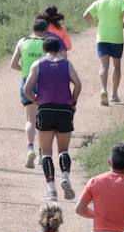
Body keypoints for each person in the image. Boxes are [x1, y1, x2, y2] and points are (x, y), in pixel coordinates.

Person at [23, 36, 81, 200]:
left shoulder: (38, 65)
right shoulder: (67, 64)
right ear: (59, 49)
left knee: (46, 152)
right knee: (63, 150)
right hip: (64, 110)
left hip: (45, 109)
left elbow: (27, 89)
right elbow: (78, 84)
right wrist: (73, 101)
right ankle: (66, 177)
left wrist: (36, 99)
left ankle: (52, 190)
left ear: (44, 49)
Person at [10, 18, 51, 168]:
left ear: (32, 29)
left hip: (27, 81)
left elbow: (13, 64)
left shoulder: (22, 42)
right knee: (43, 121)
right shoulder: (47, 43)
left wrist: (27, 71)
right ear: (45, 30)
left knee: (30, 119)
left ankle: (29, 148)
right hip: (45, 82)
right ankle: (41, 154)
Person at [83, 0, 124, 106]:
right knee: (116, 66)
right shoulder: (121, 1)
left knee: (104, 65)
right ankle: (114, 94)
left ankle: (103, 89)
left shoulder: (99, 2)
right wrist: (123, 25)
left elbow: (85, 15)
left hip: (102, 37)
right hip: (116, 37)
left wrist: (96, 24)